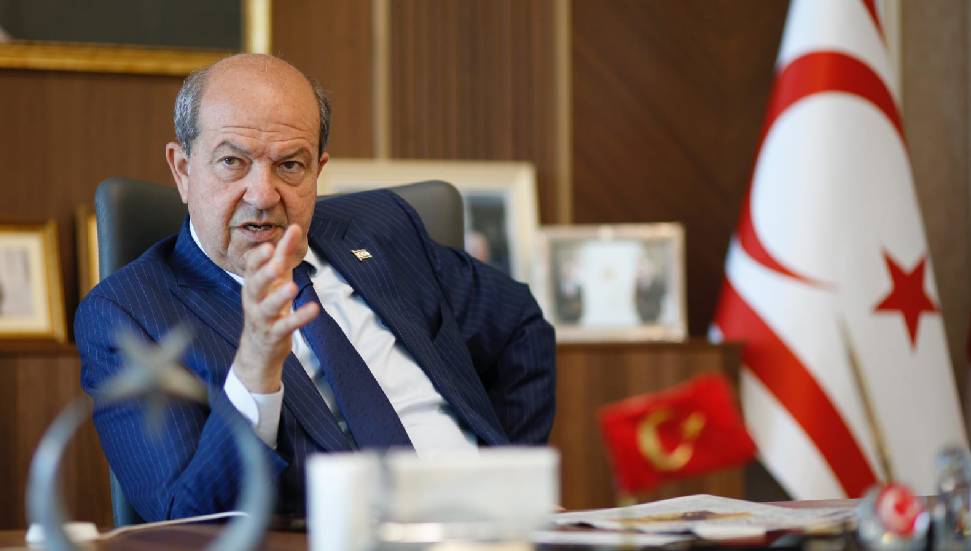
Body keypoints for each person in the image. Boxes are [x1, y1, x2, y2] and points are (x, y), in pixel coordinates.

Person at [75, 54, 555, 522]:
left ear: (318, 170)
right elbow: (184, 519)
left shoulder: (380, 230)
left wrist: (504, 485)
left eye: (289, 165)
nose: (263, 194)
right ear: (182, 169)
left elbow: (521, 328)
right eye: (232, 162)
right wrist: (255, 367)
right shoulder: (129, 316)